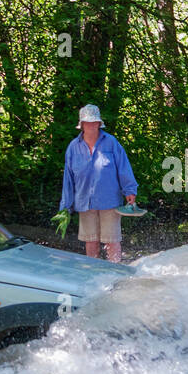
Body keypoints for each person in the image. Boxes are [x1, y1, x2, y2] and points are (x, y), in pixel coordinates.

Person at [59, 104, 137, 263]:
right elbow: (68, 179)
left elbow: (123, 167)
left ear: (99, 124)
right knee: (91, 241)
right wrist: (65, 206)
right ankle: (92, 272)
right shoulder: (73, 147)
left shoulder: (111, 142)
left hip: (110, 201)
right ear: (81, 125)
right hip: (84, 202)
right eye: (87, 122)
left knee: (112, 241)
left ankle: (115, 270)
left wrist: (129, 190)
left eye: (95, 122)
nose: (91, 125)